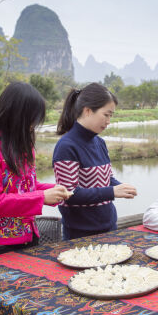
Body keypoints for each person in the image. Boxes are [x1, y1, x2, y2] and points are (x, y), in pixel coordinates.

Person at [0, 82, 70, 259]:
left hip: (28, 237)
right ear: (17, 116)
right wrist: (42, 197)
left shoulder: (23, 148)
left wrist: (53, 190)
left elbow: (27, 187)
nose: (33, 126)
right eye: (32, 120)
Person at [53, 82, 137, 240]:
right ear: (87, 111)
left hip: (109, 227)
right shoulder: (66, 146)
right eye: (106, 114)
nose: (108, 121)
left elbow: (106, 179)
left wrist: (120, 186)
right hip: (80, 234)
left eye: (111, 116)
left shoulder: (100, 143)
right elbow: (69, 194)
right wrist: (112, 192)